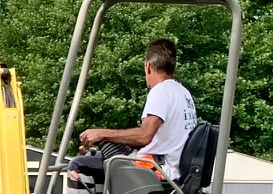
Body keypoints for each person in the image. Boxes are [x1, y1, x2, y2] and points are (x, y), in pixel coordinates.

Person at [80, 37, 196, 183]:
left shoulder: (161, 91)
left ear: (147, 66)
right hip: (171, 166)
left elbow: (144, 136)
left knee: (80, 165)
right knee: (100, 155)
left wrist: (101, 133)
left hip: (158, 170)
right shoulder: (183, 92)